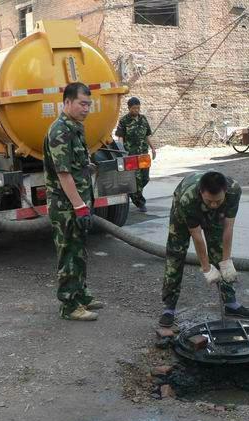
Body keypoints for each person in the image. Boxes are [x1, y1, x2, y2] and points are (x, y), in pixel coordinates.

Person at [158, 171, 249, 328]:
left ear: (225, 192)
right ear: (201, 192)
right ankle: (169, 308)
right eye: (209, 201)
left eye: (217, 201)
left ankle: (231, 303)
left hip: (215, 214)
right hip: (183, 211)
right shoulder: (188, 198)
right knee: (175, 255)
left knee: (217, 252)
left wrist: (226, 261)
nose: (213, 205)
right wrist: (206, 268)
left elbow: (228, 227)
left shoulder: (234, 191)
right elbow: (197, 236)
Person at [43, 82, 104, 321]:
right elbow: (63, 174)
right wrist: (79, 206)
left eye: (89, 104)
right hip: (66, 207)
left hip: (78, 203)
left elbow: (75, 165)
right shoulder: (60, 130)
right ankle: (69, 305)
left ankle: (81, 294)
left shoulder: (76, 127)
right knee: (68, 253)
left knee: (79, 251)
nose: (86, 108)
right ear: (67, 102)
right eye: (82, 103)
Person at [115, 97, 156, 213]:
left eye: (138, 108)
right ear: (129, 108)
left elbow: (147, 135)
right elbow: (120, 138)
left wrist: (153, 148)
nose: (136, 110)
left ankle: (132, 193)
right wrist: (122, 151)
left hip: (143, 153)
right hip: (131, 155)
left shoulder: (143, 119)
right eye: (134, 108)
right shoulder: (124, 121)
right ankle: (140, 202)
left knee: (145, 178)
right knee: (136, 179)